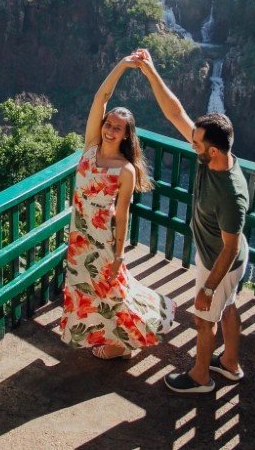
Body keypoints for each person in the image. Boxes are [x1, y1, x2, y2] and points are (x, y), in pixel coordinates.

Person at [136, 48, 249, 394]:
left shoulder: (231, 194)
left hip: (222, 260)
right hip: (215, 252)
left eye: (197, 142)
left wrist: (209, 286)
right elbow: (175, 112)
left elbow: (230, 249)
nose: (192, 144)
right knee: (226, 308)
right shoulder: (213, 158)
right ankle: (230, 364)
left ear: (212, 150)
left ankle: (201, 377)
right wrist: (151, 71)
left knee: (204, 318)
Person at [59, 55, 176, 359]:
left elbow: (122, 216)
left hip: (104, 241)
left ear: (126, 135)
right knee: (87, 289)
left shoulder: (126, 170)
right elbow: (102, 97)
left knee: (113, 292)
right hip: (79, 237)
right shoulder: (90, 147)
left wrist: (119, 254)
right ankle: (115, 340)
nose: (110, 129)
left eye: (117, 127)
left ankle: (126, 340)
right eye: (108, 124)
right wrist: (122, 66)